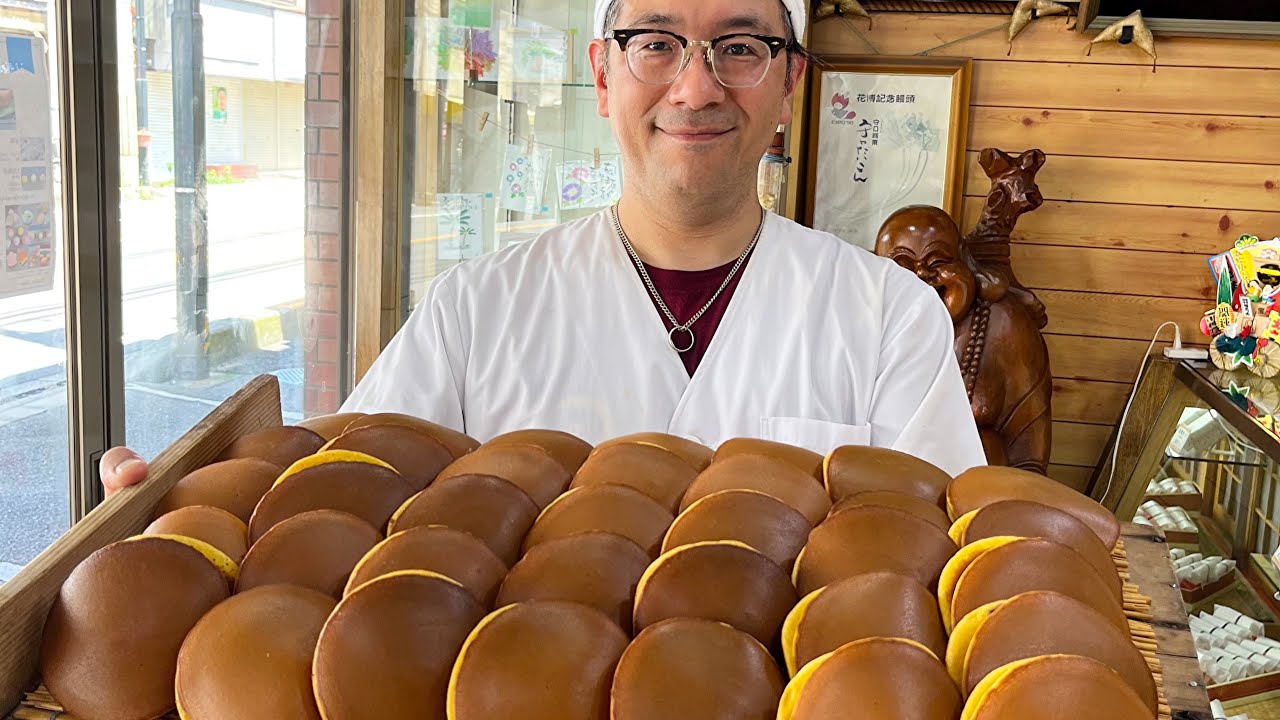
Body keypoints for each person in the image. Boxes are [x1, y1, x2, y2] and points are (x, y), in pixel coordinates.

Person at [101, 0, 986, 496]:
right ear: (604, 75)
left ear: (789, 84)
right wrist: (188, 506)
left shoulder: (887, 318)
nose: (695, 84)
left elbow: (940, 552)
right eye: (658, 44)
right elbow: (343, 497)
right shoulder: (475, 309)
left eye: (741, 48)